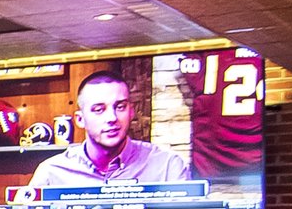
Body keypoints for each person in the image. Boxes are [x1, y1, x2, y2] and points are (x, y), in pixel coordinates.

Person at [27, 67, 190, 192]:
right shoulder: (51, 173)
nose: (112, 118)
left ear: (131, 112)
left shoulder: (167, 167)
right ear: (80, 119)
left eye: (120, 107)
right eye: (99, 109)